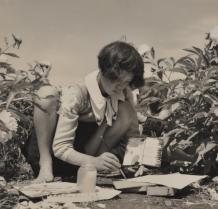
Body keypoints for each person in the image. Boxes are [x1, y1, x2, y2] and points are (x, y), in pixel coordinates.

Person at [24, 41, 144, 183]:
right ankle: (45, 165)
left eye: (126, 81)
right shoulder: (78, 92)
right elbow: (61, 148)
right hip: (57, 154)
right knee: (46, 94)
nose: (120, 86)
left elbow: (134, 134)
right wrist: (95, 162)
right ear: (103, 70)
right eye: (115, 79)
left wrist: (136, 161)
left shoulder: (122, 92)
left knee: (126, 110)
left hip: (83, 160)